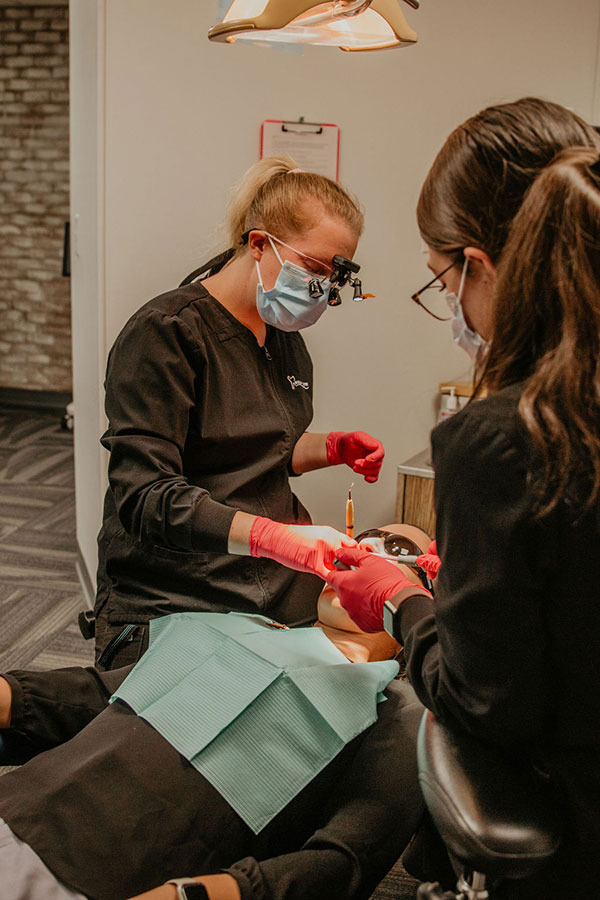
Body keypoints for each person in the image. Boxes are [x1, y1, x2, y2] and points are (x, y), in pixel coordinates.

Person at [326, 98, 600, 896]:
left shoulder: (505, 440)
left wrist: (402, 601)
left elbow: (485, 706)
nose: (448, 304)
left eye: (441, 278)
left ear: (479, 265)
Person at [0, 525, 431, 900]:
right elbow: (95, 697)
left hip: (117, 881)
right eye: (360, 541)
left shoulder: (396, 713)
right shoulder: (234, 627)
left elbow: (343, 861)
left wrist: (191, 894)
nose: (363, 554)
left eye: (394, 551)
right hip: (21, 810)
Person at [94, 156, 385, 669]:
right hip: (177, 593)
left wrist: (333, 447)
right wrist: (277, 537)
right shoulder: (167, 333)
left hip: (270, 585)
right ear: (258, 244)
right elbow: (144, 497)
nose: (322, 287)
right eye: (314, 268)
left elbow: (262, 446)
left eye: (334, 276)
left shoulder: (284, 340)